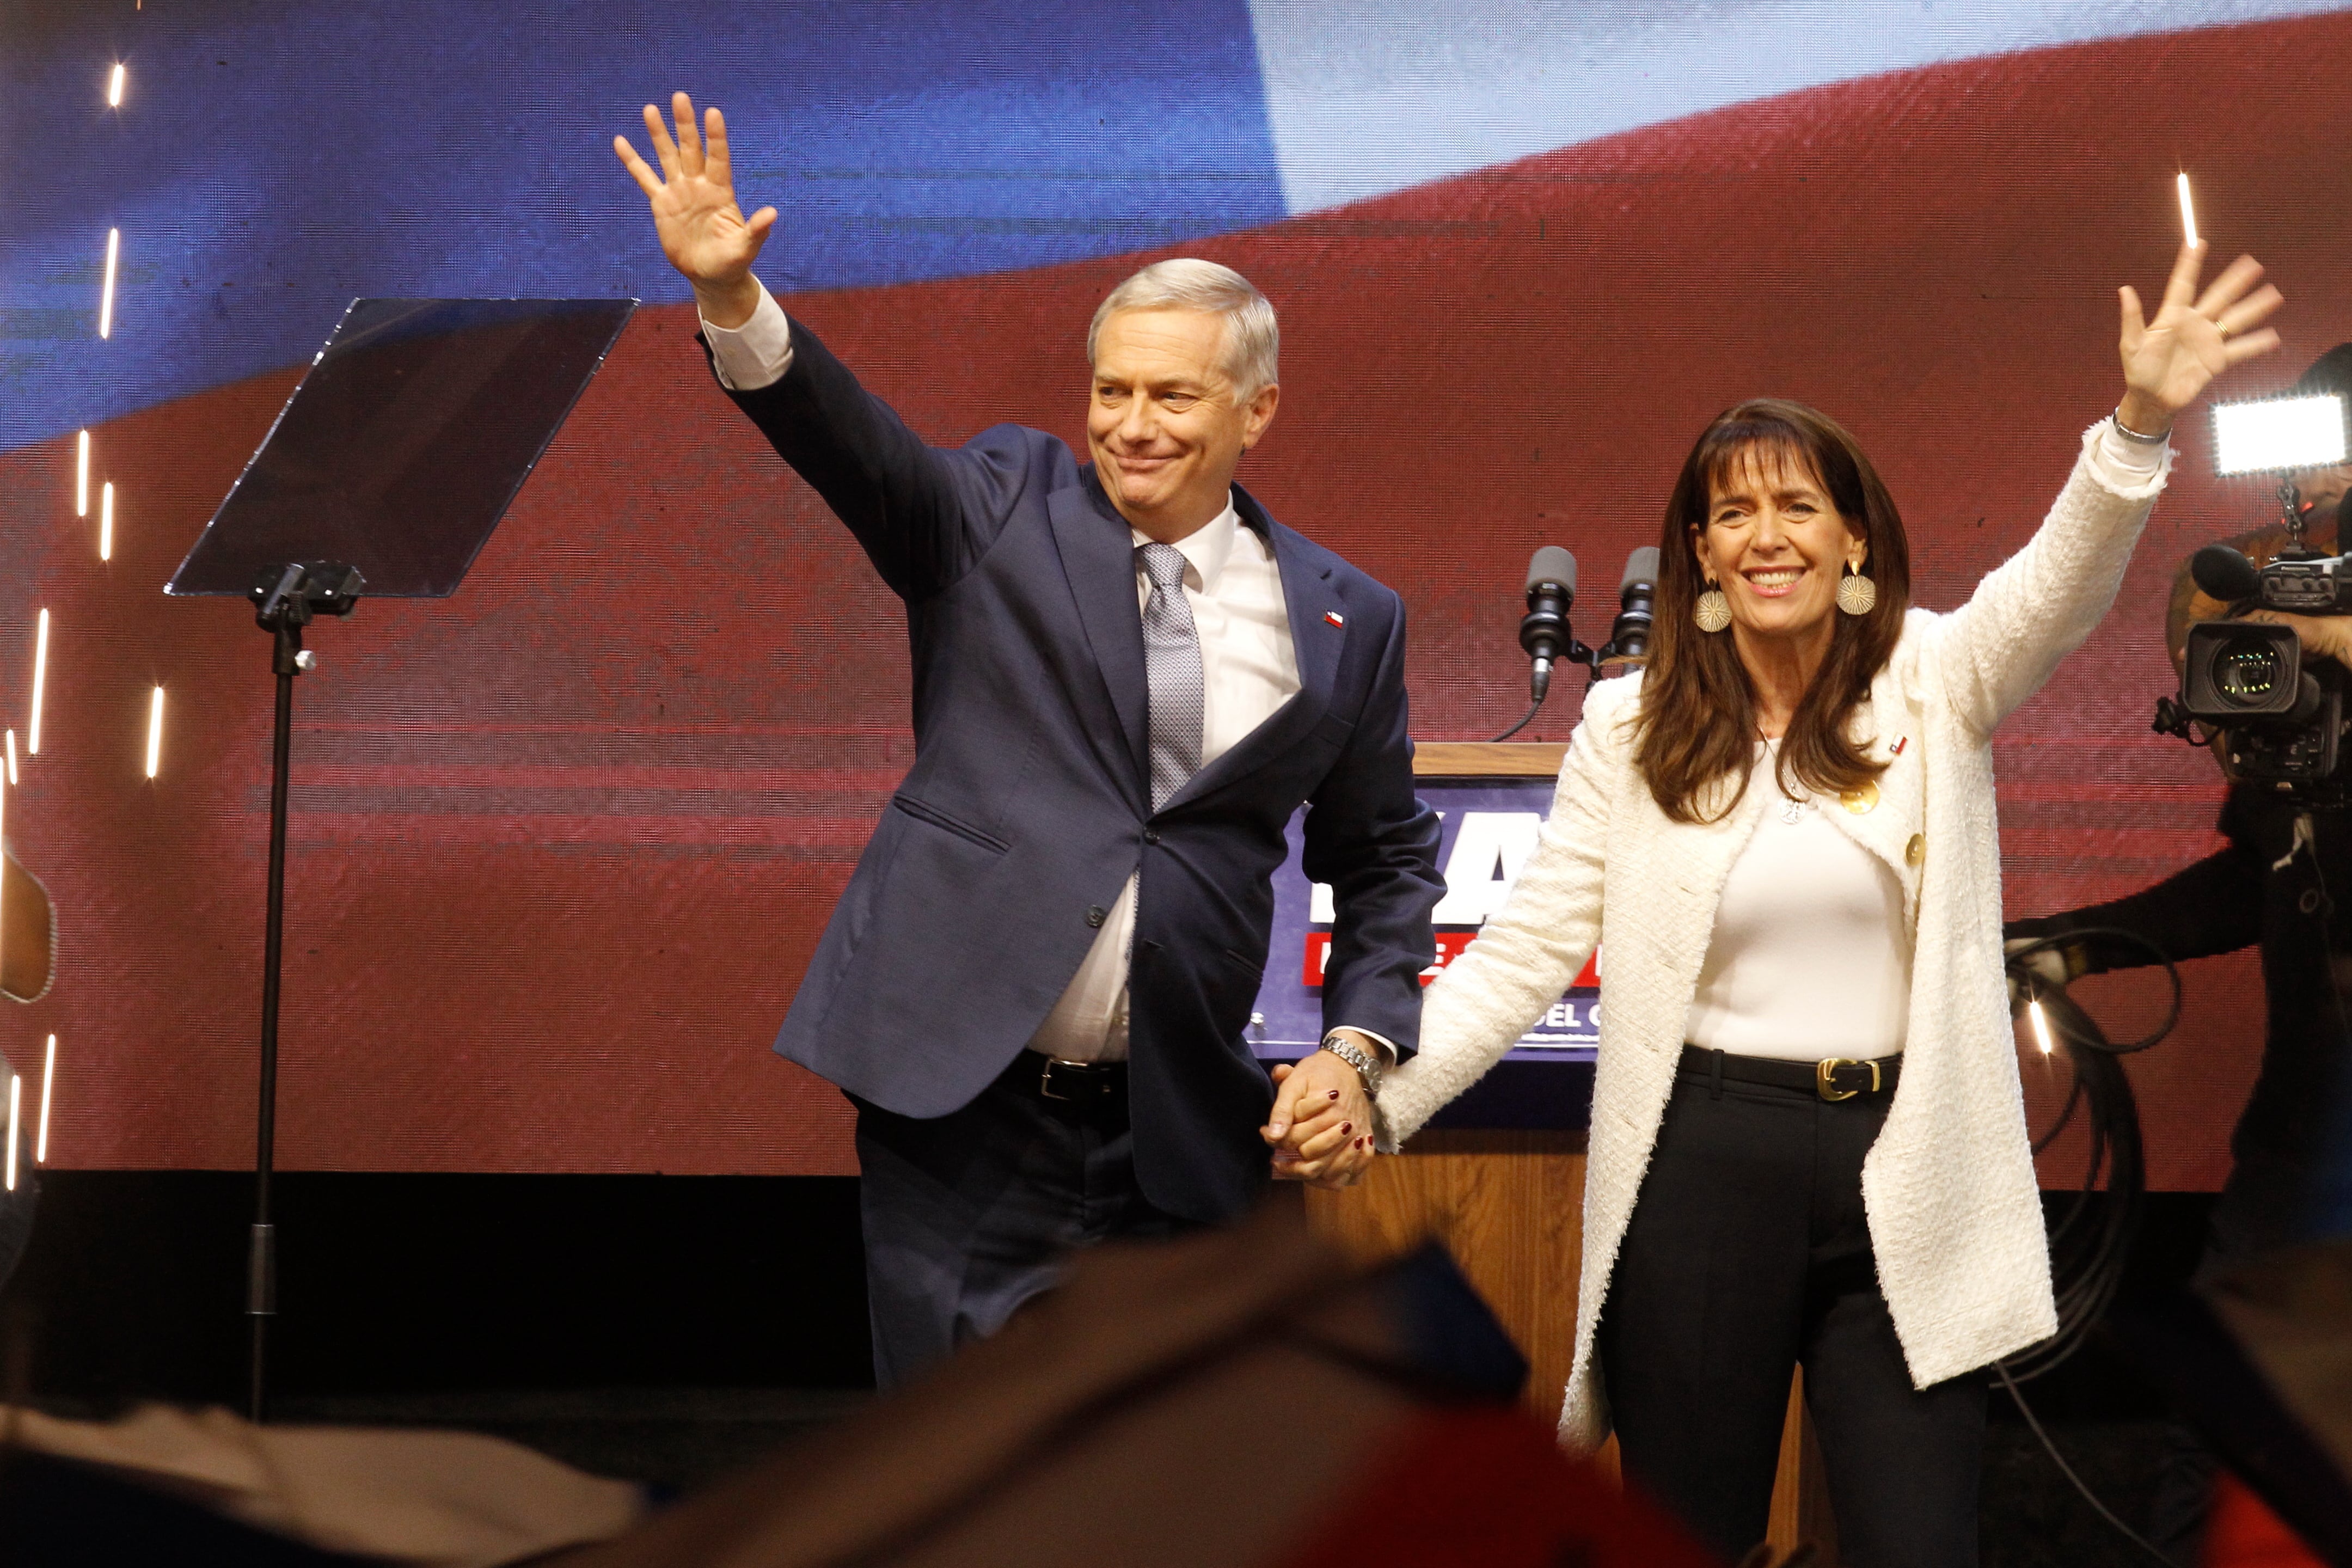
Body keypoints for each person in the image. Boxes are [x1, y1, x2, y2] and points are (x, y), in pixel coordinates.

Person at [1367, 241, 2282, 1564]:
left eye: (1797, 507)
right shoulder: (1627, 725)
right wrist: (1382, 1097)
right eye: (1732, 515)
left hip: (1902, 1166)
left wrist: (2137, 424)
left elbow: (2062, 586)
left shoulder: (1937, 676)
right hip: (1701, 1166)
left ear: (1854, 534)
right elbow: (1526, 951)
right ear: (1699, 550)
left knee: (1919, 1545)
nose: (1766, 537)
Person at [614, 95, 1437, 1385]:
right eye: (1111, 390)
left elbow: (1383, 859)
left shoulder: (1347, 614)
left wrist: (1355, 1047)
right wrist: (735, 301)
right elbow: (854, 447)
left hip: (1178, 1138)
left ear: (1257, 411)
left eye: (1173, 395)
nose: (1131, 423)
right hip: (967, 1127)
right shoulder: (1002, 511)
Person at [2004, 342, 2352, 1565]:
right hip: (2304, 1129)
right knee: (2230, 1429)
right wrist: (2073, 947)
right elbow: (2253, 882)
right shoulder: (2287, 637)